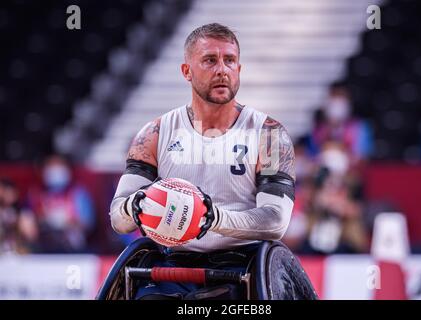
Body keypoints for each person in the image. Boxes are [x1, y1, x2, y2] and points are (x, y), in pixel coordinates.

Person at [109, 23, 296, 299]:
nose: (222, 70)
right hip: (171, 263)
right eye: (210, 60)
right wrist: (135, 206)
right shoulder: (154, 134)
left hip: (243, 265)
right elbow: (118, 218)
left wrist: (212, 218)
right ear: (187, 71)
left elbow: (275, 222)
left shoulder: (268, 134)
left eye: (230, 61)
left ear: (239, 70)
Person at [26, 154, 96, 253]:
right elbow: (28, 222)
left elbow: (88, 223)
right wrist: (44, 221)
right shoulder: (35, 194)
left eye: (59, 165)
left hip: (73, 249)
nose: (56, 170)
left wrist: (66, 223)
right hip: (42, 250)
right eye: (51, 166)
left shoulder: (78, 193)